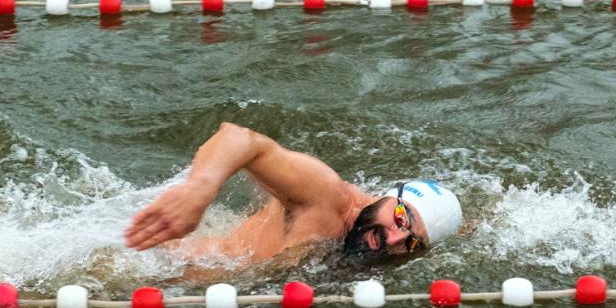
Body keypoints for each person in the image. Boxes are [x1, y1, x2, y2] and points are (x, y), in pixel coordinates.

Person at [123, 122, 462, 264]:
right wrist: (199, 190)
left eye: (411, 243)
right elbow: (240, 138)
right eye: (402, 218)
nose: (394, 239)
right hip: (152, 261)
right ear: (389, 196)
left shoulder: (379, 252)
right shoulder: (325, 196)